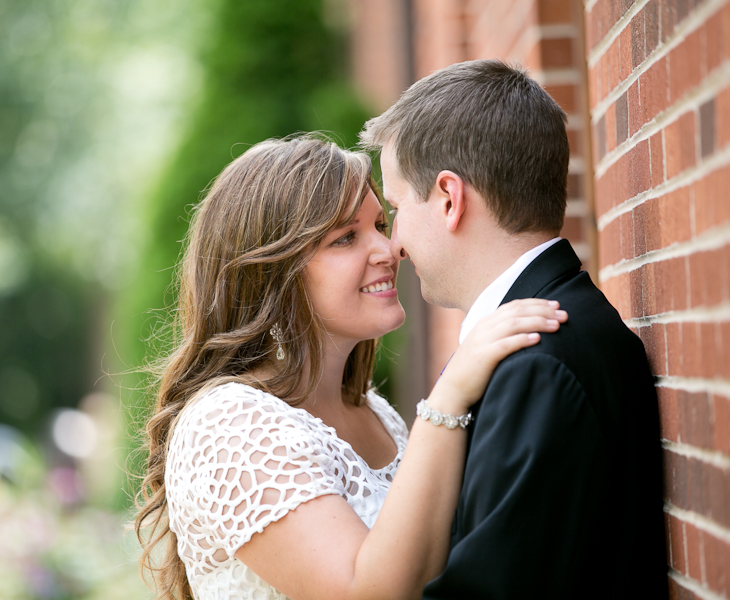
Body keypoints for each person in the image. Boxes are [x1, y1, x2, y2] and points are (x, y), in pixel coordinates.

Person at [134, 136, 567, 600]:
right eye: (346, 237)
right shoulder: (229, 426)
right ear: (270, 275)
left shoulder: (375, 414)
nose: (389, 248)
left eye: (381, 224)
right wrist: (448, 396)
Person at [359, 59, 668, 598]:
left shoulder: (537, 365)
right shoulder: (552, 334)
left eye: (396, 207)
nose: (394, 245)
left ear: (450, 199)